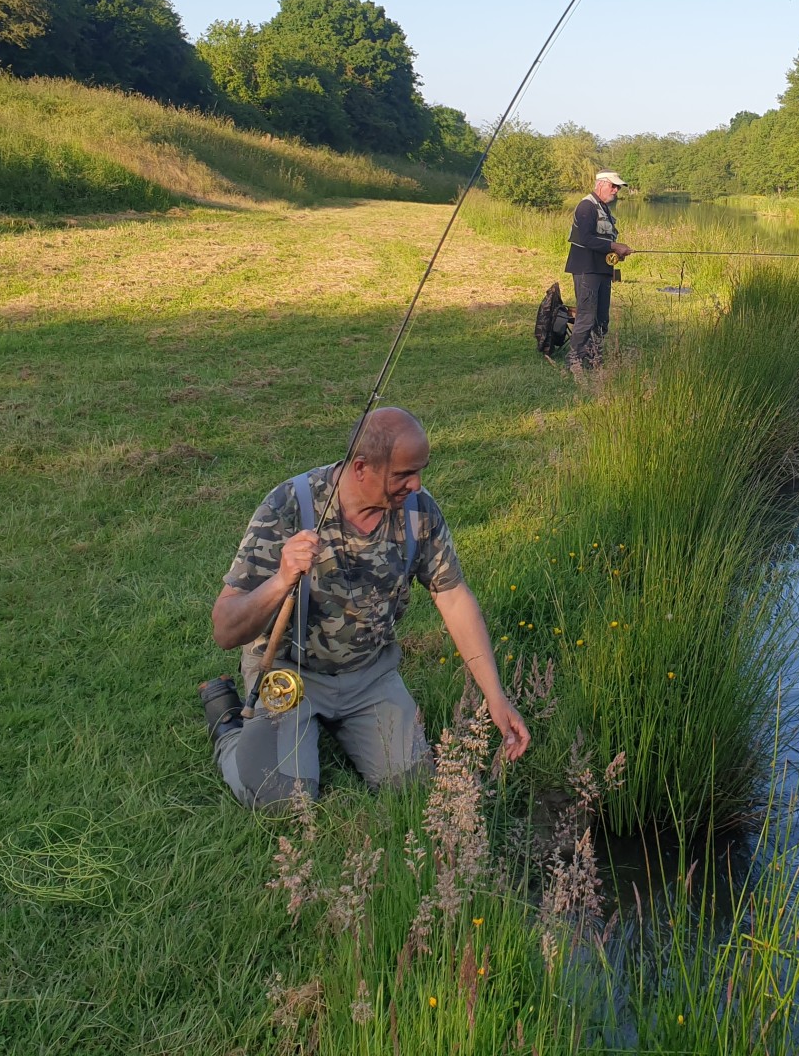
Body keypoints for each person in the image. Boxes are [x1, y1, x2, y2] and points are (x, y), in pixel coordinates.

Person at [199, 407, 529, 808]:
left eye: (420, 470)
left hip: (369, 675)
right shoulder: (288, 506)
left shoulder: (419, 511)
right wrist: (281, 579)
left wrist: (495, 695)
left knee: (413, 790)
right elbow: (225, 629)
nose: (417, 483)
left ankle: (332, 729)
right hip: (289, 672)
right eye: (403, 474)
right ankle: (229, 729)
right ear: (361, 468)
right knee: (283, 801)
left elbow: (454, 596)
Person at [564, 170, 633, 372]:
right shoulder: (586, 206)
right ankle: (574, 361)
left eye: (618, 187)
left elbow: (602, 240)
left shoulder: (603, 208)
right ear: (601, 184)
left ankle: (594, 359)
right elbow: (585, 239)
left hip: (602, 269)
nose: (615, 190)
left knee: (602, 318)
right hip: (586, 270)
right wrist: (614, 246)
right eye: (613, 186)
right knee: (586, 316)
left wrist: (616, 252)